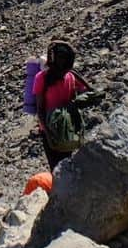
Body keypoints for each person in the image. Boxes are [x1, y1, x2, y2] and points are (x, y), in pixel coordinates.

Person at [32, 40, 91, 170]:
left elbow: (40, 109)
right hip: (66, 128)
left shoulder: (42, 78)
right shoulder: (70, 76)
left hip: (51, 129)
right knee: (66, 161)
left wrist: (47, 134)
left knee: (56, 167)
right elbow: (88, 90)